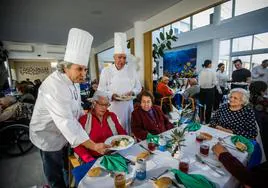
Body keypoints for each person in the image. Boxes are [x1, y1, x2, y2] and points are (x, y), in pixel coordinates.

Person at [30, 28, 109, 188]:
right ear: (65, 67)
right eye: (79, 69)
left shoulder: (73, 82)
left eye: (85, 69)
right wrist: (93, 146)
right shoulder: (54, 86)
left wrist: (84, 112)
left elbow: (75, 106)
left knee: (66, 165)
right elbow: (66, 122)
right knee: (55, 172)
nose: (84, 73)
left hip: (64, 134)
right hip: (48, 135)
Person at [98, 32, 141, 134]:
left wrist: (133, 92)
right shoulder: (106, 71)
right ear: (114, 57)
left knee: (129, 128)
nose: (122, 60)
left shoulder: (131, 70)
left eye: (124, 57)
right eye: (119, 57)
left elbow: (138, 87)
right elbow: (100, 90)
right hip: (113, 106)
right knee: (114, 129)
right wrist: (111, 95)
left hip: (128, 106)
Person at [74, 91, 127, 163]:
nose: (104, 107)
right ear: (94, 103)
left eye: (106, 105)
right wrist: (90, 160)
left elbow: (122, 133)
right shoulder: (84, 120)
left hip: (113, 155)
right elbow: (78, 145)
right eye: (101, 104)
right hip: (93, 158)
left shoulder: (112, 116)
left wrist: (126, 141)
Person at [249, 81, 268, 158]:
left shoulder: (248, 99)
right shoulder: (265, 101)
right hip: (264, 127)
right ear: (261, 91)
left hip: (252, 127)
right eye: (265, 90)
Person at [198, 59, 218, 124]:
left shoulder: (201, 71)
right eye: (211, 64)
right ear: (209, 64)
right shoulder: (212, 71)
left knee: (201, 105)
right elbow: (215, 82)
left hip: (201, 90)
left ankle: (201, 119)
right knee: (209, 106)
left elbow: (199, 82)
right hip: (210, 90)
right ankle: (207, 120)